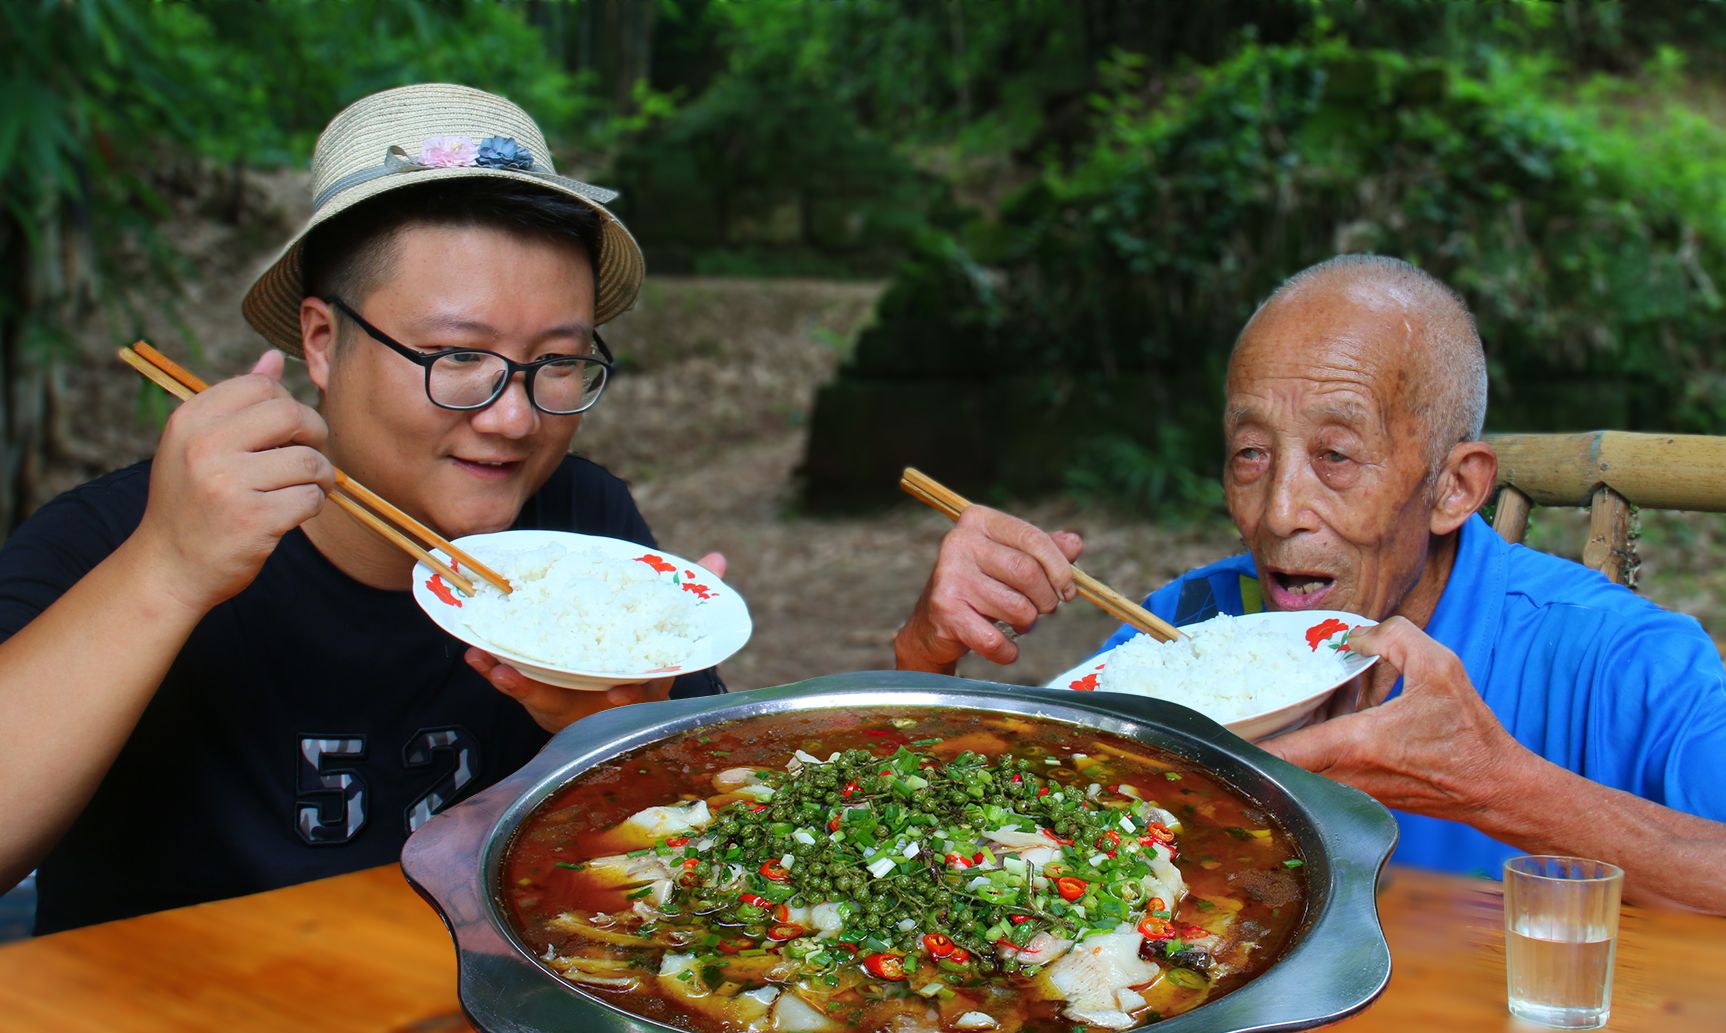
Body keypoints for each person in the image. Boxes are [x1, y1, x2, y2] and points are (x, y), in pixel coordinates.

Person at [0, 84, 726, 933]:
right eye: (458, 354)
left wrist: (623, 735)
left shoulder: (585, 526)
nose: (515, 417)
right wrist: (167, 569)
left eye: (557, 363)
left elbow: (709, 856)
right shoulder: (116, 535)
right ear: (320, 339)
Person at [894, 254, 1726, 913]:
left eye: (1336, 455)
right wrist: (925, 659)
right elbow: (964, 858)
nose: (1281, 509)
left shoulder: (1616, 657)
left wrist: (1495, 783)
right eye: (1251, 453)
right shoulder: (1181, 639)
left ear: (1454, 487)